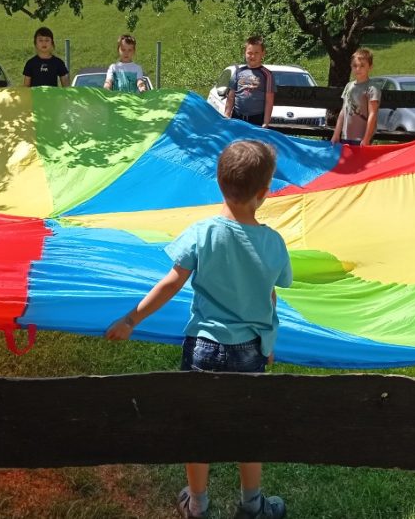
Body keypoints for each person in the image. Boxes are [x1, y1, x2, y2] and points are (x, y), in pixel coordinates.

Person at [105, 140, 291, 519]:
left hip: (203, 346)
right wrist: (268, 343)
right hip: (249, 350)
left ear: (219, 183)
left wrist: (131, 320)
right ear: (264, 193)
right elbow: (269, 296)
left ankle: (198, 504)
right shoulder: (273, 242)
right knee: (246, 429)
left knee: (198, 426)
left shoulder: (202, 232)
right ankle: (253, 506)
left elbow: (171, 283)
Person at [331, 48, 381, 146]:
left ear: (370, 67)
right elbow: (343, 111)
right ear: (351, 66)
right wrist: (336, 133)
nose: (358, 69)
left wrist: (366, 138)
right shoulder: (348, 86)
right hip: (346, 136)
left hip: (362, 138)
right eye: (355, 66)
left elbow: (373, 114)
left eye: (362, 66)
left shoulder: (372, 88)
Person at [224, 36, 275, 127]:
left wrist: (266, 122)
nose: (253, 56)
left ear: (263, 53)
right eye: (249, 53)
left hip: (257, 119)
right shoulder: (239, 71)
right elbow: (231, 96)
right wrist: (227, 114)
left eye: (256, 53)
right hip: (237, 117)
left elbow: (269, 101)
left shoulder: (267, 75)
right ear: (245, 53)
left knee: (252, 142)